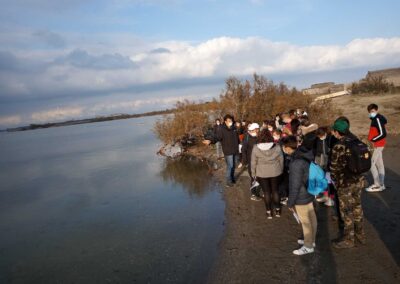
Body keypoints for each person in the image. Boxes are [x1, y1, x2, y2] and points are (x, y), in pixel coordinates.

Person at [330, 119, 366, 249]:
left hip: (345, 183)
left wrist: (335, 181)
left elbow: (334, 167)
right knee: (357, 207)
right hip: (359, 181)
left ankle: (349, 239)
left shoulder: (339, 146)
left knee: (346, 211)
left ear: (337, 131)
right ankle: (360, 235)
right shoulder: (357, 141)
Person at [282, 136, 317, 255]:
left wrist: (290, 202)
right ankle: (311, 241)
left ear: (287, 148)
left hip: (301, 195)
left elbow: (294, 184)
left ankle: (308, 246)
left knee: (305, 221)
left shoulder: (295, 162)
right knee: (312, 216)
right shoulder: (304, 154)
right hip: (309, 190)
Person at [251, 129, 284, 219]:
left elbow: (253, 162)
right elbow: (281, 160)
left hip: (262, 173)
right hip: (275, 171)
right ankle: (277, 210)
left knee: (266, 192)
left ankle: (269, 212)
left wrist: (253, 173)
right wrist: (281, 170)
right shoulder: (277, 146)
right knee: (275, 191)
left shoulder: (255, 147)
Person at [203, 114, 240, 187]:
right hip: (228, 151)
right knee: (230, 166)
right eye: (229, 121)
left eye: (231, 120)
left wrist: (240, 145)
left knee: (234, 165)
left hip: (235, 150)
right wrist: (210, 141)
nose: (230, 122)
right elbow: (217, 138)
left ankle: (232, 178)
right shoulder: (222, 130)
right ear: (225, 121)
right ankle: (228, 182)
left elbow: (237, 138)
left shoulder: (234, 128)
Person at [365, 103, 388, 192]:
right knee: (379, 164)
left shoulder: (377, 119)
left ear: (376, 110)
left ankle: (377, 184)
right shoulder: (375, 118)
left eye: (373, 111)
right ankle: (381, 184)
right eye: (370, 112)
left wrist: (373, 140)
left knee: (371, 164)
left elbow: (383, 133)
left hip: (377, 145)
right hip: (378, 144)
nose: (371, 113)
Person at [240, 123, 262, 201]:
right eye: (251, 130)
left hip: (260, 161)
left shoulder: (260, 136)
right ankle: (253, 194)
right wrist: (244, 161)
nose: (252, 131)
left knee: (260, 177)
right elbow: (243, 149)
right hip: (251, 161)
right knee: (253, 177)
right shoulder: (247, 137)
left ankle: (258, 191)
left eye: (255, 130)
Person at [314, 127, 335, 207]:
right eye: (319, 137)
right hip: (320, 160)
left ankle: (331, 198)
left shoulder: (330, 138)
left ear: (324, 134)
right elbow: (316, 150)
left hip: (329, 161)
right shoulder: (317, 140)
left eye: (321, 136)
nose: (320, 138)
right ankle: (326, 196)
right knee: (323, 179)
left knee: (330, 180)